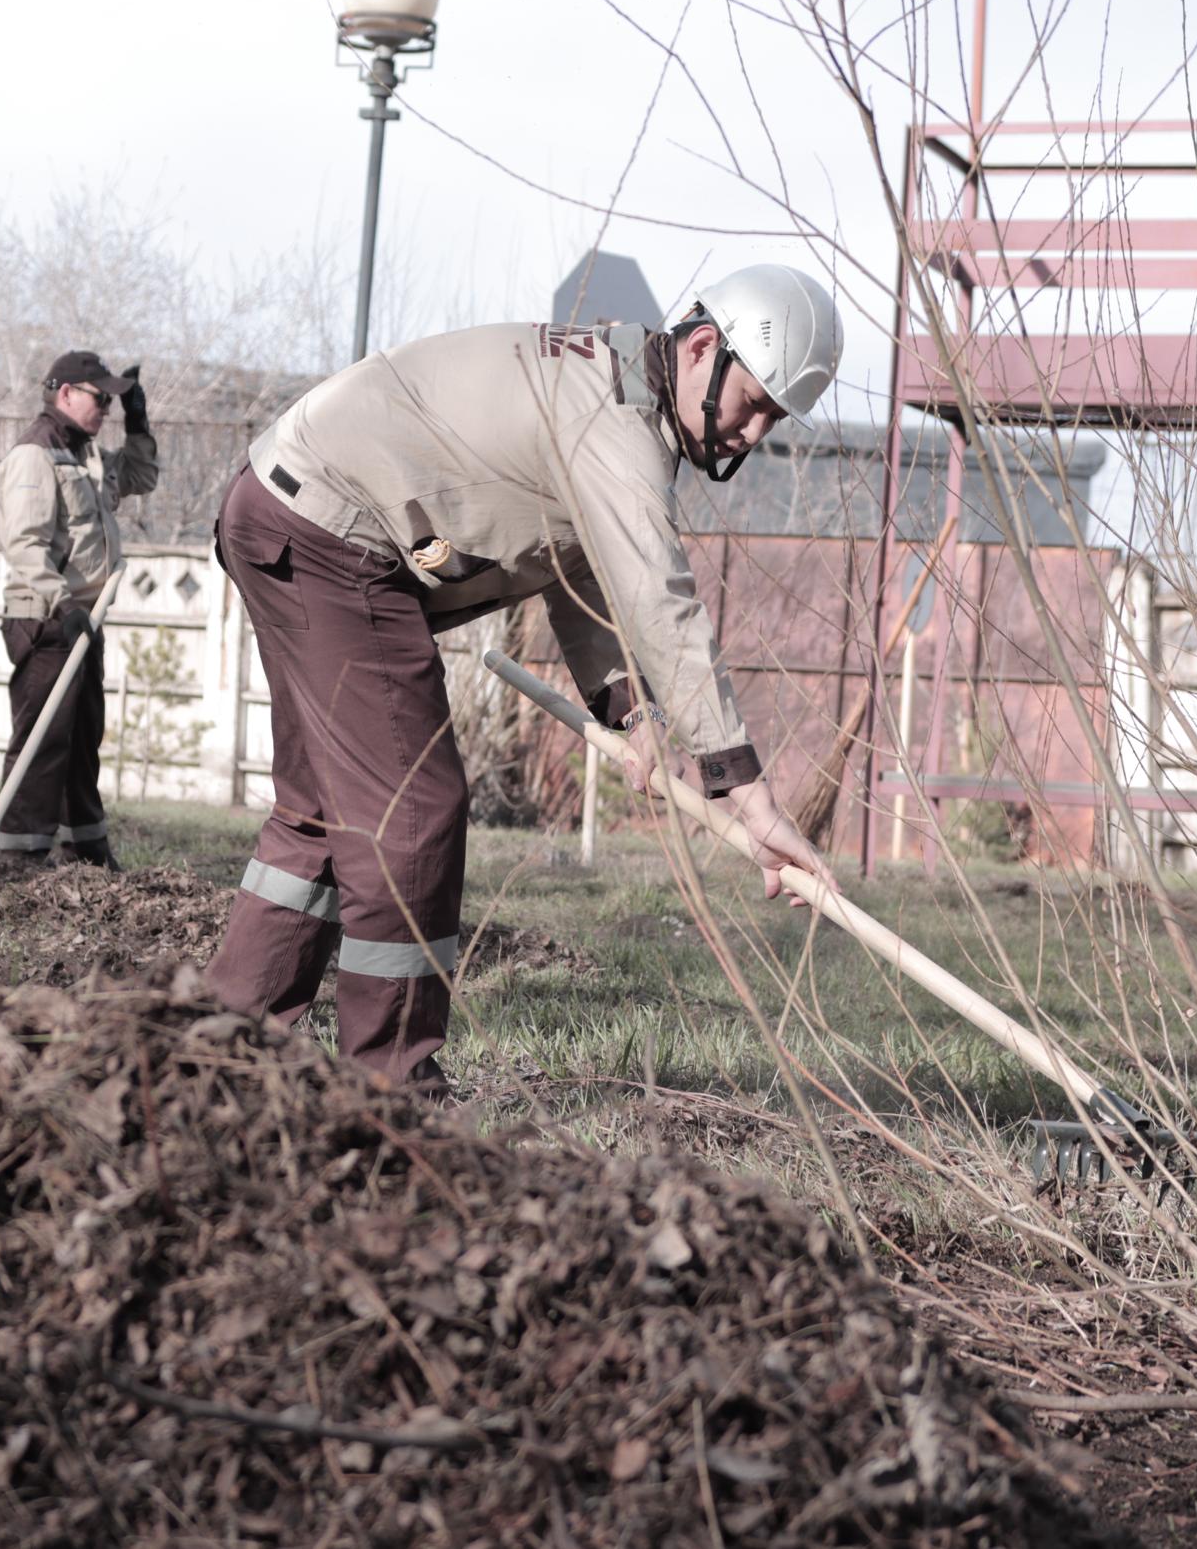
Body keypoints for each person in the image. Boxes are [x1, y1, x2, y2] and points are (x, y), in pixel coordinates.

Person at [207, 264, 842, 1089]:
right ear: (700, 348)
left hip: (293, 515)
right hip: (330, 535)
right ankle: (392, 1088)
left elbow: (576, 567)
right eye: (752, 401)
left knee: (324, 815)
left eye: (773, 418)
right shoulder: (615, 424)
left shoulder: (616, 390)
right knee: (413, 813)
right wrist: (746, 793)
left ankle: (222, 1048)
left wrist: (630, 712)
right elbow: (660, 599)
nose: (753, 433)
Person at [0, 350, 160, 868]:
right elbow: (24, 544)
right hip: (47, 619)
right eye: (100, 397)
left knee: (83, 739)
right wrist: (62, 606)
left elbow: (141, 476)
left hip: (85, 620)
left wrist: (138, 419)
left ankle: (83, 853)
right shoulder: (34, 454)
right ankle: (20, 861)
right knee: (43, 742)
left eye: (113, 399)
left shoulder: (86, 457)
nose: (107, 407)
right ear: (65, 393)